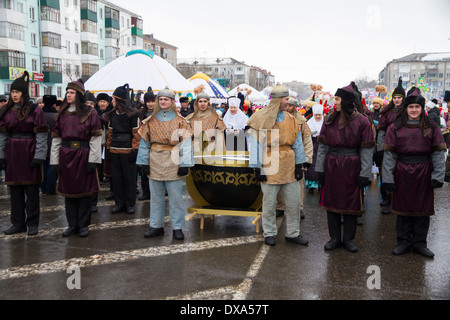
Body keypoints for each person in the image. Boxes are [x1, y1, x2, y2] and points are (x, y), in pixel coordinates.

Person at [382, 87, 446, 258]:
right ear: (406, 108)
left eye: (417, 107)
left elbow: (438, 153)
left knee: (422, 211)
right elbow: (390, 155)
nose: (414, 110)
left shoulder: (431, 126)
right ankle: (403, 242)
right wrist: (387, 176)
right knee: (402, 210)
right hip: (402, 171)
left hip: (424, 172)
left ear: (422, 108)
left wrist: (438, 175)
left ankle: (419, 243)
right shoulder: (395, 127)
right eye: (411, 107)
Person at [315, 82, 375, 253]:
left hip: (352, 166)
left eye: (338, 98)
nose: (335, 101)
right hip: (332, 165)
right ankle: (334, 238)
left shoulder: (362, 122)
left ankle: (348, 239)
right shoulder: (329, 120)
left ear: (347, 101)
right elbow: (323, 148)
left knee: (351, 204)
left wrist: (365, 173)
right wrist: (319, 168)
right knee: (332, 201)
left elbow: (366, 150)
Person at [247, 85, 308, 247]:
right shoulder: (260, 118)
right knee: (269, 203)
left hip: (288, 163)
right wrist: (257, 167)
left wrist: (299, 165)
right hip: (269, 164)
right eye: (286, 99)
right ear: (277, 100)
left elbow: (298, 143)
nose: (289, 102)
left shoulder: (292, 119)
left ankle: (293, 233)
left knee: (294, 202)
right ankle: (269, 232)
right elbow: (255, 144)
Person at [136, 88, 194, 240]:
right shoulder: (150, 121)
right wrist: (142, 162)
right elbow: (144, 143)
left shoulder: (181, 121)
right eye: (160, 99)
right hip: (155, 160)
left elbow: (186, 144)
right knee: (156, 197)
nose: (162, 102)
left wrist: (185, 163)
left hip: (173, 161)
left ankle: (177, 227)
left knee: (175, 198)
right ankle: (156, 226)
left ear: (171, 102)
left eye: (166, 99)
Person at [50, 79, 102, 237]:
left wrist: (93, 160)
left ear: (78, 95)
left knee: (85, 193)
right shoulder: (61, 114)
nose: (68, 95)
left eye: (71, 92)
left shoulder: (90, 113)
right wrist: (54, 161)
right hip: (66, 156)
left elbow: (95, 139)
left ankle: (83, 225)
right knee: (69, 193)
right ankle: (72, 224)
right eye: (67, 92)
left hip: (84, 154)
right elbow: (57, 139)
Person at [0, 71, 48, 236]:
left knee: (32, 192)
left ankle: (32, 223)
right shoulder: (6, 111)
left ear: (23, 93)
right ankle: (17, 223)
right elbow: (3, 135)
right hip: (13, 153)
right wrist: (1, 155)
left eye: (17, 92)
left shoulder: (35, 110)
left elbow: (41, 135)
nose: (14, 95)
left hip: (30, 151)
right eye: (12, 92)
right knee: (15, 192)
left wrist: (39, 156)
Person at [104, 84, 141, 214]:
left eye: (114, 98)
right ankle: (119, 203)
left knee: (129, 178)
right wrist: (108, 149)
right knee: (117, 179)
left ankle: (130, 203)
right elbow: (110, 132)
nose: (112, 101)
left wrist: (135, 149)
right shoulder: (112, 114)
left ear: (119, 100)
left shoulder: (133, 114)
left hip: (128, 151)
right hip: (114, 150)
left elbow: (136, 133)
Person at [276, 97, 313, 220]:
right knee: (280, 183)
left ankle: (299, 208)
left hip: (298, 156)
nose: (287, 108)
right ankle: (280, 207)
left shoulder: (301, 122)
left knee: (298, 184)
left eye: (290, 106)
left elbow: (307, 140)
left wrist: (307, 159)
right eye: (286, 105)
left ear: (295, 107)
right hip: (282, 156)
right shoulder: (278, 118)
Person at [376, 77, 405, 214]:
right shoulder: (386, 113)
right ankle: (386, 198)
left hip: (403, 148)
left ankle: (397, 200)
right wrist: (380, 149)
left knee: (399, 175)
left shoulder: (407, 111)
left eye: (399, 97)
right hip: (388, 147)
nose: (397, 100)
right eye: (395, 98)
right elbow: (381, 133)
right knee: (386, 174)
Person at [137, 86, 156, 201]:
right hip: (144, 144)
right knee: (144, 170)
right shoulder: (141, 114)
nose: (150, 104)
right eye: (148, 102)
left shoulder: (159, 114)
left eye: (152, 101)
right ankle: (146, 192)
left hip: (156, 145)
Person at [40, 95, 58, 195]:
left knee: (43, 167)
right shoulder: (57, 115)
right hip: (53, 144)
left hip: (41, 144)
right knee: (52, 167)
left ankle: (43, 188)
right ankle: (50, 189)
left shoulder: (39, 114)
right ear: (54, 104)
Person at [305, 103, 324, 193]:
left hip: (321, 147)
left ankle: (320, 184)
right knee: (312, 165)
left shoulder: (325, 123)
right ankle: (311, 186)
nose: (318, 117)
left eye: (319, 115)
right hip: (312, 145)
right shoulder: (309, 123)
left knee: (321, 165)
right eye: (316, 115)